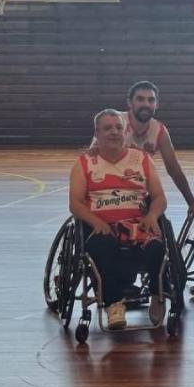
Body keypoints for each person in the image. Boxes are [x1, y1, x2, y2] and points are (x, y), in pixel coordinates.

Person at [69, 109, 167, 330]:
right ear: (97, 132)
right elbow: (75, 203)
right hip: (102, 225)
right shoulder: (85, 163)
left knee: (156, 246)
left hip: (137, 223)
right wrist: (96, 222)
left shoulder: (141, 159)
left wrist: (152, 215)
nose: (114, 132)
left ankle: (156, 295)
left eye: (118, 127)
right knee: (103, 244)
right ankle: (114, 303)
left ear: (125, 131)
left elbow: (160, 197)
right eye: (107, 128)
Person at [90, 81, 194, 217]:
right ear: (130, 103)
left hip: (136, 193)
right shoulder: (116, 123)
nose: (146, 104)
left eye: (151, 100)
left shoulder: (159, 130)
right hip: (107, 190)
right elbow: (92, 155)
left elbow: (174, 169)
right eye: (140, 99)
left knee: (159, 220)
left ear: (156, 104)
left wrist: (191, 201)